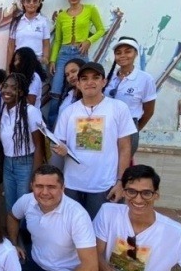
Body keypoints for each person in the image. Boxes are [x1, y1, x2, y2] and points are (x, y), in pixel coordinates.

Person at [7, 165, 97, 271]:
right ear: (31, 186)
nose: (45, 192)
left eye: (51, 187)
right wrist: (14, 244)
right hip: (33, 260)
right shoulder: (27, 200)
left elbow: (90, 266)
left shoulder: (77, 215)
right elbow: (12, 216)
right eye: (39, 186)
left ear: (63, 187)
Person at [53, 62, 136, 219]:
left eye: (95, 78)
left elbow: (125, 148)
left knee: (102, 233)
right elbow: (59, 144)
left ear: (104, 82)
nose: (89, 82)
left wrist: (120, 182)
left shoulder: (118, 108)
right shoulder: (68, 112)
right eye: (84, 78)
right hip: (72, 185)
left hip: (104, 185)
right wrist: (60, 150)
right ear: (78, 83)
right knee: (74, 231)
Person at [48, 0, 105, 127]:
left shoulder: (90, 9)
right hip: (64, 54)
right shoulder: (61, 16)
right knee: (56, 91)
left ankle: (87, 125)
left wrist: (88, 40)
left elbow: (101, 30)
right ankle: (52, 129)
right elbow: (58, 40)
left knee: (87, 85)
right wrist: (53, 59)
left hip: (81, 52)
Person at [0, 73, 45, 212]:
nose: (7, 91)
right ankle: (12, 234)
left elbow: (39, 145)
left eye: (13, 88)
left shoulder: (31, 112)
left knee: (25, 206)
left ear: (21, 92)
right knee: (10, 205)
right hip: (8, 163)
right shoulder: (4, 111)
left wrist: (35, 176)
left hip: (25, 163)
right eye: (5, 86)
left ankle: (24, 234)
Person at [104, 37, 156, 156]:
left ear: (136, 53)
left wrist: (134, 129)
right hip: (106, 126)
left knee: (122, 167)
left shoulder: (145, 79)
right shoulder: (109, 77)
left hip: (128, 127)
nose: (122, 55)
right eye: (118, 53)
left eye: (128, 51)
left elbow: (149, 111)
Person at [7, 0, 51, 70]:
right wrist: (8, 68)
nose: (31, 3)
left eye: (35, 1)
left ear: (39, 3)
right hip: (19, 63)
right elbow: (10, 47)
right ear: (23, 2)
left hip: (37, 63)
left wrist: (45, 58)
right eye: (28, 0)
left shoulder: (43, 21)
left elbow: (46, 43)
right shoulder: (16, 22)